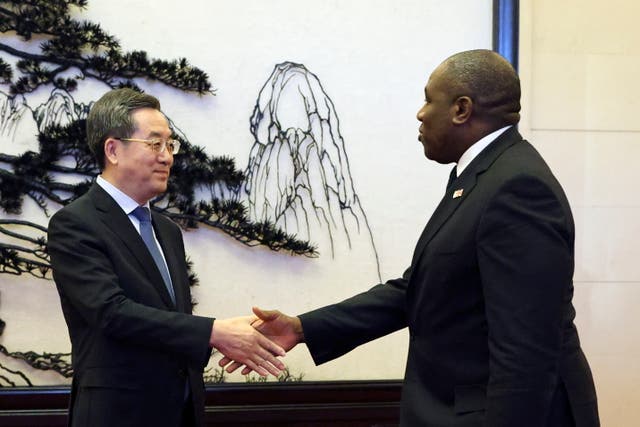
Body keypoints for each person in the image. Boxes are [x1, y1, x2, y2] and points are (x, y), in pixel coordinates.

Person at [221, 50, 600, 426]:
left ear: (461, 109)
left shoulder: (518, 187)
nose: (420, 114)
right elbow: (418, 289)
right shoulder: (482, 178)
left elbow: (526, 354)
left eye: (428, 100)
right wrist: (303, 328)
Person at [47, 88, 285, 427]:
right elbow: (111, 313)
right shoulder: (75, 223)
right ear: (113, 150)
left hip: (181, 412)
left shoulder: (167, 230)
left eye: (169, 145)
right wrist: (214, 332)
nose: (167, 157)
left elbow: (170, 322)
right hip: (117, 415)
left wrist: (232, 338)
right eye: (155, 143)